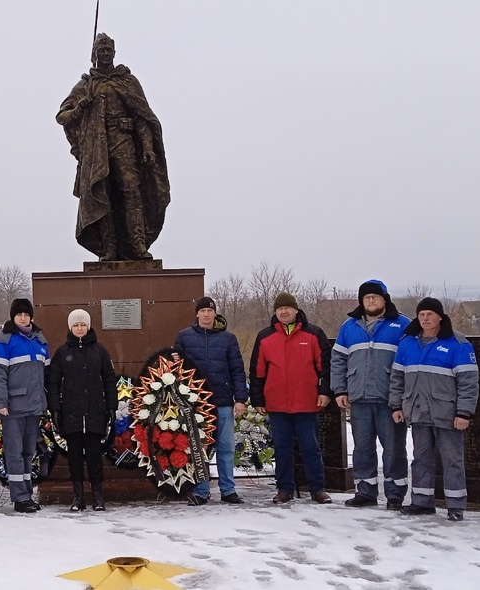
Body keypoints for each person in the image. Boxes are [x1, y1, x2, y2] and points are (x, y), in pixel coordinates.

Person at [56, 32, 170, 261]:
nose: (105, 54)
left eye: (108, 50)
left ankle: (138, 245)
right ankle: (109, 249)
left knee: (132, 191)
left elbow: (142, 117)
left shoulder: (127, 81)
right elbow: (62, 116)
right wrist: (81, 106)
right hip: (97, 149)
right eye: (101, 50)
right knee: (102, 193)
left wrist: (147, 147)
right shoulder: (86, 85)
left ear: (114, 53)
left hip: (124, 143)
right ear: (94, 54)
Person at [391, 297, 479, 522]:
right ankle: (421, 502)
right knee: (420, 459)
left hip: (447, 414)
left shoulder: (457, 344)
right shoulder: (407, 343)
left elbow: (469, 382)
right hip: (417, 411)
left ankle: (455, 505)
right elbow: (397, 378)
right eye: (421, 314)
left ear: (440, 316)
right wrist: (396, 405)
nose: (425, 318)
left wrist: (464, 412)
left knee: (452, 460)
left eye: (430, 314)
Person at [330, 280, 411, 510]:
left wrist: (404, 397)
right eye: (367, 297)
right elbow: (338, 361)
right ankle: (365, 491)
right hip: (359, 398)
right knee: (362, 448)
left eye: (376, 296)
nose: (371, 300)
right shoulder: (349, 326)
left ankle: (395, 494)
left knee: (394, 449)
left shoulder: (402, 325)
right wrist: (340, 390)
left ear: (385, 299)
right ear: (361, 301)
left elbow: (411, 361)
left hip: (390, 400)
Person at [249, 293, 334, 505]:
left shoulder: (314, 334)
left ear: (296, 310)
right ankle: (284, 488)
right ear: (275, 312)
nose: (284, 312)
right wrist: (258, 399)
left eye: (287, 308)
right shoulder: (265, 337)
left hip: (307, 402)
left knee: (310, 446)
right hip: (277, 404)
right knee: (282, 448)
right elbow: (257, 371)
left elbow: (325, 367)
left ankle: (317, 488)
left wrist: (325, 392)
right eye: (279, 309)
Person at [173, 296, 248, 506]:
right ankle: (201, 490)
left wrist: (240, 399)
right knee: (199, 449)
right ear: (197, 314)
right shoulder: (184, 338)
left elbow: (237, 371)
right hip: (196, 404)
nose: (206, 314)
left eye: (210, 311)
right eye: (203, 311)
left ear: (215, 314)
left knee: (226, 448)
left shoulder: (228, 339)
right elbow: (175, 369)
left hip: (223, 401)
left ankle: (228, 489)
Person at [46, 309, 118, 512]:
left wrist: (111, 407)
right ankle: (78, 497)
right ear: (70, 327)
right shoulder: (62, 353)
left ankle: (97, 496)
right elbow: (53, 383)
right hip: (72, 414)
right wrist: (56, 410)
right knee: (74, 458)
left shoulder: (100, 351)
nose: (79, 328)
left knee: (95, 457)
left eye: (83, 324)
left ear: (88, 326)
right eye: (76, 325)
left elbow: (109, 381)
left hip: (95, 413)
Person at [0, 298, 50, 513]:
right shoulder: (5, 340)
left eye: (26, 314)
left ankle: (27, 494)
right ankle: (19, 498)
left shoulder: (39, 340)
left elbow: (47, 375)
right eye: (19, 315)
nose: (23, 318)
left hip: (34, 407)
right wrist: (1, 403)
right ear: (13, 317)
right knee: (15, 453)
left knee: (28, 453)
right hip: (13, 407)